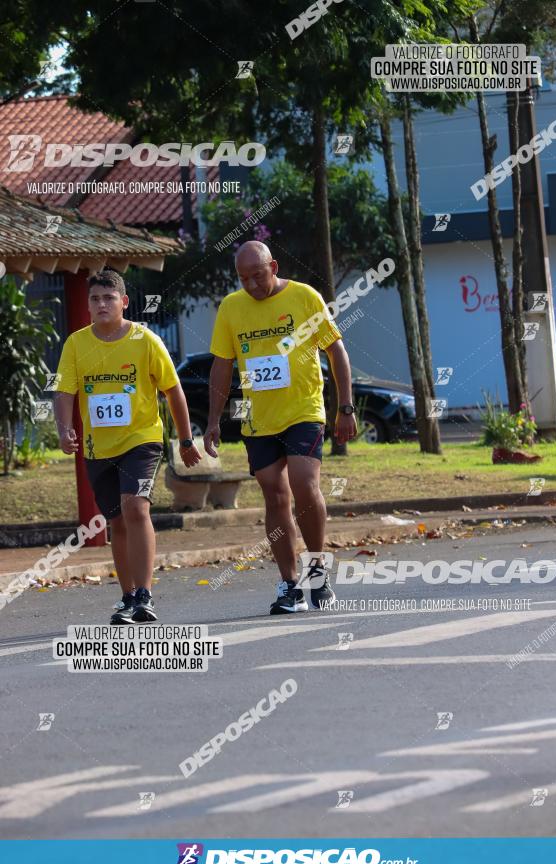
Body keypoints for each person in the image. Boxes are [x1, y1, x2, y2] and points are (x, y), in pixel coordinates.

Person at [204, 241, 357, 615]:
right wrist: (211, 421)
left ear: (272, 266)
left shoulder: (305, 298)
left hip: (304, 408)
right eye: (243, 279)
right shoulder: (231, 307)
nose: (252, 286)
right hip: (259, 419)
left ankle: (317, 568)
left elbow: (335, 350)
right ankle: (290, 584)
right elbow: (222, 366)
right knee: (274, 494)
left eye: (258, 276)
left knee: (305, 484)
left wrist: (346, 407)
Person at [54, 269, 200, 624]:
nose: (102, 304)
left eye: (108, 298)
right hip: (98, 447)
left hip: (142, 440)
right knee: (116, 522)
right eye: (95, 299)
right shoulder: (76, 343)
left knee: (135, 508)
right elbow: (64, 391)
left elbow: (173, 390)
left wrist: (184, 439)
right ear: (88, 305)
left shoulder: (145, 340)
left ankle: (145, 596)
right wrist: (63, 430)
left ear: (124, 302)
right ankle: (128, 596)